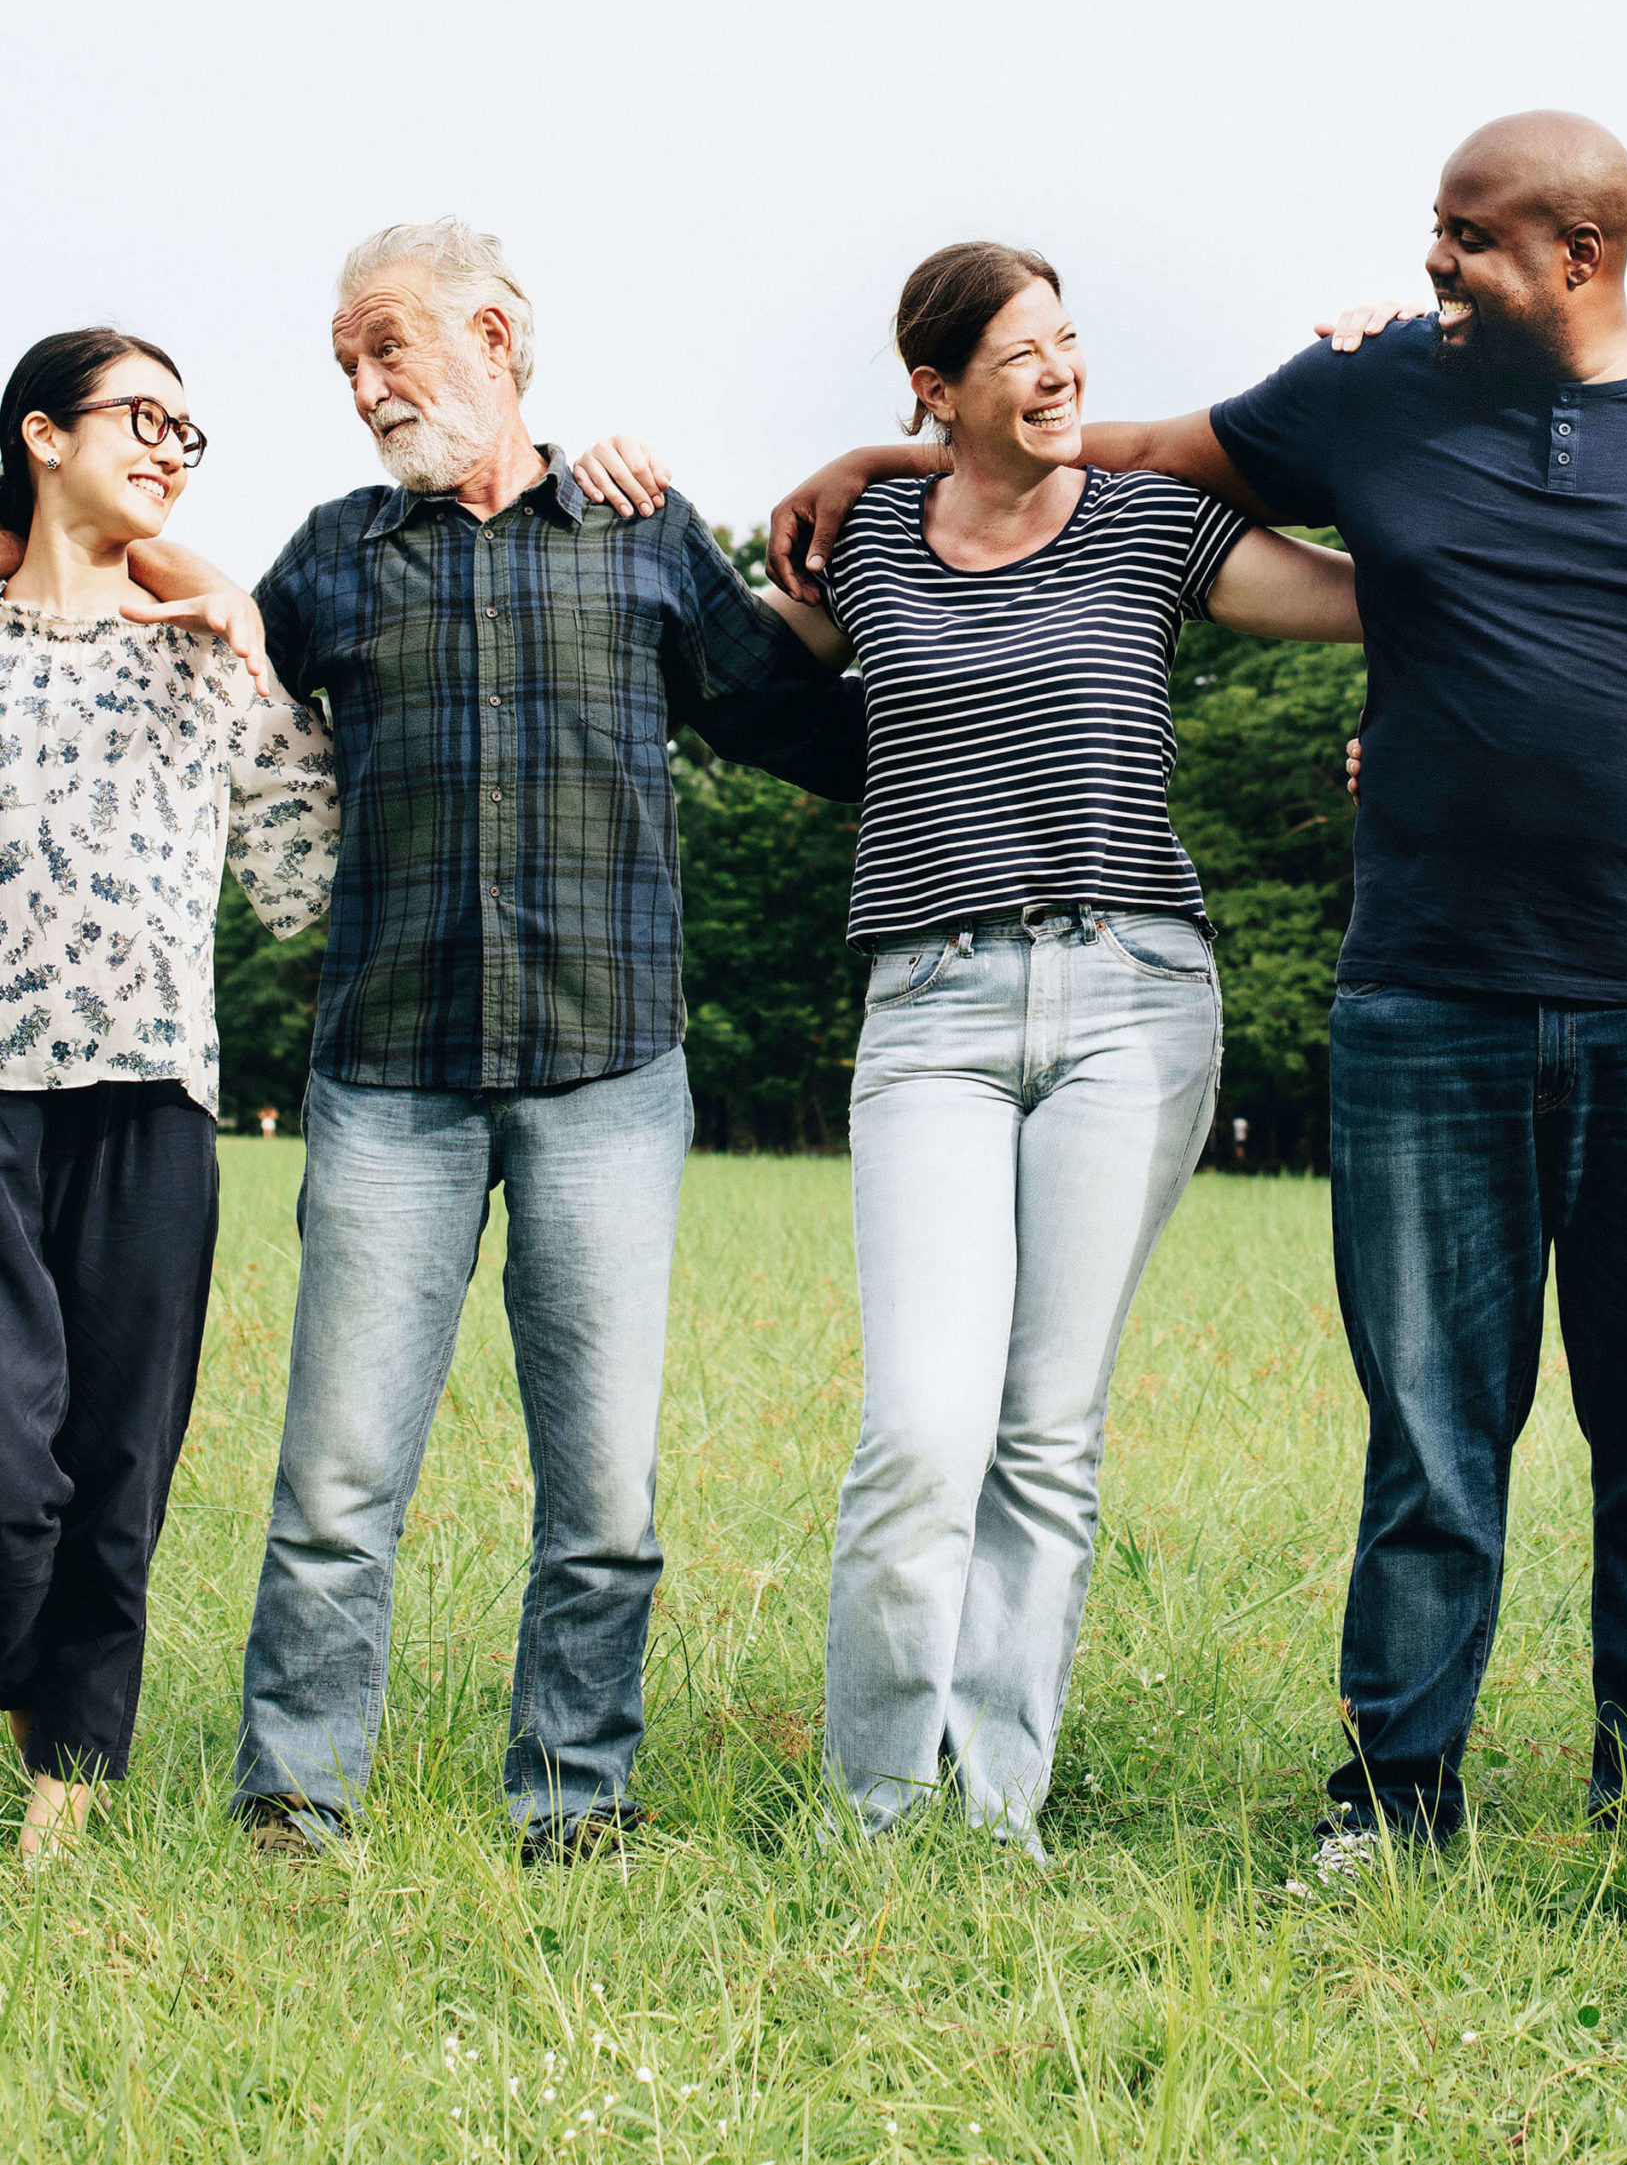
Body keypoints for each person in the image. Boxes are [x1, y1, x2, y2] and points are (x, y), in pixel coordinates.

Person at [750, 116, 1627, 1865]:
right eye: (1438, 229)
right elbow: (1126, 444)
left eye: (1470, 236)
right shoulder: (1372, 389)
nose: (1435, 260)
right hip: (1425, 995)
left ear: (1582, 258)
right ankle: (1396, 1798)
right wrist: (882, 450)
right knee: (1433, 1434)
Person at [702, 241, 1358, 1851]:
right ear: (937, 389)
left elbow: (1368, 596)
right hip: (928, 1007)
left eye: (1070, 342)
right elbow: (729, 677)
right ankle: (881, 1807)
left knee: (1045, 1427)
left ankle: (995, 1806)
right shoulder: (864, 540)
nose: (1061, 373)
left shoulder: (1150, 523)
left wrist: (1386, 404)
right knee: (925, 1424)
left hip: (1133, 995)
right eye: (1022, 354)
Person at [227, 220, 863, 1862]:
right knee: (336, 1484)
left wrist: (943, 590)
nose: (366, 388)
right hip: (386, 1077)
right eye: (347, 363)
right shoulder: (333, 557)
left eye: (389, 349)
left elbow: (809, 724)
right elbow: (212, 701)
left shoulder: (645, 540)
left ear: (496, 335)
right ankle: (295, 1812)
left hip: (606, 1077)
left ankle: (575, 1805)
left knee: (603, 1498)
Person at [0, 329, 335, 1864]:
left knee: (118, 1467)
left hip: (155, 1102)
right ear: (41, 432)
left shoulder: (209, 661)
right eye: (143, 418)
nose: (170, 448)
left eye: (189, 435)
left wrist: (240, 622)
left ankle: (60, 1818)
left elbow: (305, 882)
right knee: (10, 1476)